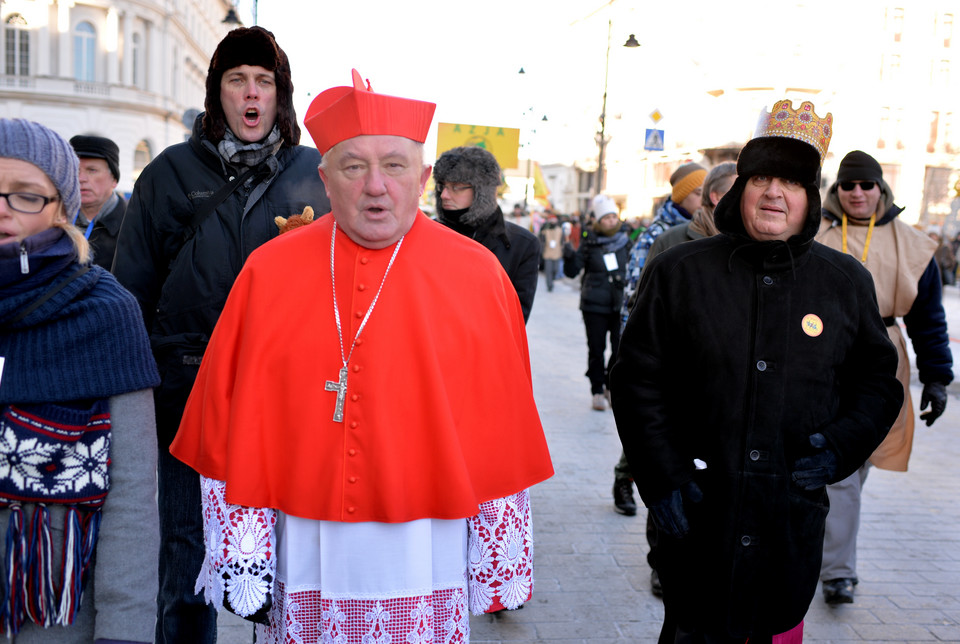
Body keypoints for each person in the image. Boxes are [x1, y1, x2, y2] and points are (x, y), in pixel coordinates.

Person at [168, 69, 554, 642]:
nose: (376, 186)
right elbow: (227, 416)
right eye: (354, 167)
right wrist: (246, 546)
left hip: (428, 536)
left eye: (394, 166)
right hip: (305, 529)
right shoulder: (269, 271)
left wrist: (494, 554)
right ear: (326, 179)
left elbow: (503, 423)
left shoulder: (478, 275)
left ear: (422, 177)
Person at [610, 99, 903, 642]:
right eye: (762, 177)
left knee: (774, 625)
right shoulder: (681, 271)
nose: (774, 193)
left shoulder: (844, 281)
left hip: (787, 517)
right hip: (699, 511)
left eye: (791, 183)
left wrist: (841, 447)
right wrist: (662, 474)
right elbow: (635, 378)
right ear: (740, 189)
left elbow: (877, 384)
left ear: (808, 200)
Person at [111, 26, 329, 644]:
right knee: (187, 551)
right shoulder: (169, 172)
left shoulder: (318, 174)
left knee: (289, 549)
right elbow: (133, 289)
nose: (250, 93)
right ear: (217, 93)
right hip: (187, 383)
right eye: (237, 80)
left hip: (290, 394)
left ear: (280, 94)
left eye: (263, 80)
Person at [0, 118, 160, 641]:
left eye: (25, 195)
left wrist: (124, 632)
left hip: (52, 615)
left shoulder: (106, 313)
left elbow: (133, 499)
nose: (3, 208)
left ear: (62, 209)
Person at [815, 150, 953, 604]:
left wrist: (937, 376)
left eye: (866, 185)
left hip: (885, 360)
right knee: (841, 471)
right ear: (836, 190)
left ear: (880, 188)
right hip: (823, 356)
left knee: (860, 463)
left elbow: (929, 319)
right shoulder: (813, 233)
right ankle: (837, 571)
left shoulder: (913, 245)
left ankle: (824, 547)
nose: (857, 193)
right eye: (848, 185)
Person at [611, 163, 706, 519]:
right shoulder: (659, 234)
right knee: (649, 428)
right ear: (684, 196)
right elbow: (635, 294)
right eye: (697, 192)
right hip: (657, 349)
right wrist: (625, 350)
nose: (704, 198)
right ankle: (625, 478)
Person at [434, 146, 540, 322]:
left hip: (486, 346)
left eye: (456, 187)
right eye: (442, 186)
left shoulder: (522, 244)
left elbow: (516, 319)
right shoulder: (428, 235)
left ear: (482, 191)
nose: (444, 194)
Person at [563, 194, 632, 412]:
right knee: (596, 348)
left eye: (614, 217)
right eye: (607, 217)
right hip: (594, 304)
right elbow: (572, 271)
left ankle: (610, 385)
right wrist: (568, 255)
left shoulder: (626, 242)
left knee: (619, 348)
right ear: (599, 221)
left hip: (619, 304)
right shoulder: (589, 242)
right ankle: (596, 390)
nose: (611, 221)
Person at [69, 135, 127, 271]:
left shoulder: (134, 225)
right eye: (75, 170)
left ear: (114, 179)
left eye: (92, 170)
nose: (81, 178)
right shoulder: (55, 220)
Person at [539, 213, 565, 292]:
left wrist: (562, 249)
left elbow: (562, 241)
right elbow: (541, 239)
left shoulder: (559, 229)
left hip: (557, 253)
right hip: (547, 252)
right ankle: (549, 285)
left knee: (555, 270)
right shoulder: (545, 230)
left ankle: (552, 280)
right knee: (548, 270)